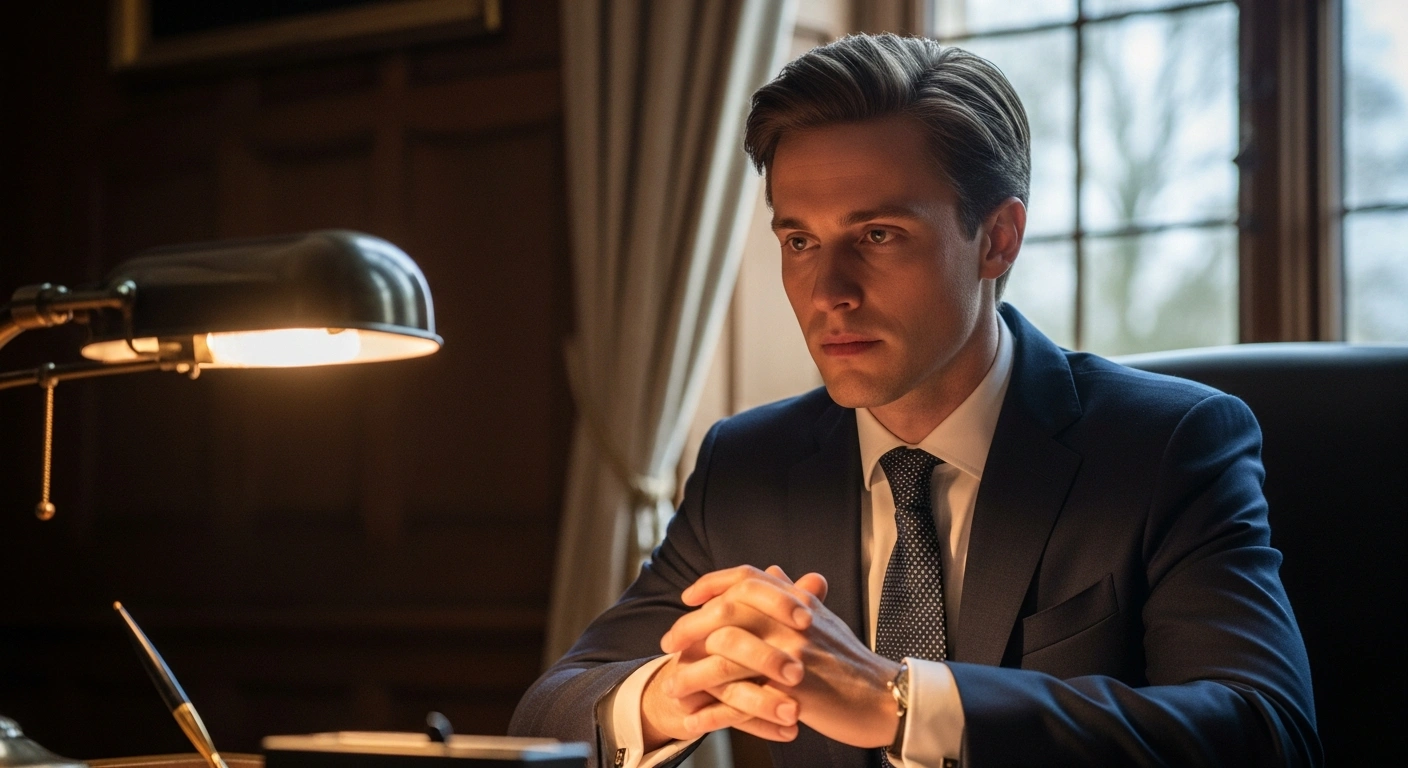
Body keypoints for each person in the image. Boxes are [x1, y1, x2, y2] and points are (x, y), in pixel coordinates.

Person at [509, 34, 1319, 767]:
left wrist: (900, 702)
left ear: (997, 239)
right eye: (799, 241)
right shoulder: (747, 465)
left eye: (878, 235)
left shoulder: (1169, 444)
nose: (828, 292)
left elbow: (1264, 731)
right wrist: (666, 696)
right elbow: (548, 713)